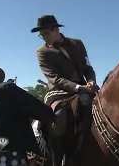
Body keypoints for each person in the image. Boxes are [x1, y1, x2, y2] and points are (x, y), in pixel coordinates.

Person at [31, 15, 98, 166]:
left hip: (85, 87)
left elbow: (87, 67)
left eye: (46, 34)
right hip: (58, 91)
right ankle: (58, 158)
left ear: (56, 29)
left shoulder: (77, 44)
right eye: (42, 36)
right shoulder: (42, 52)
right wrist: (78, 87)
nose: (44, 38)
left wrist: (91, 81)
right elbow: (55, 78)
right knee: (58, 114)